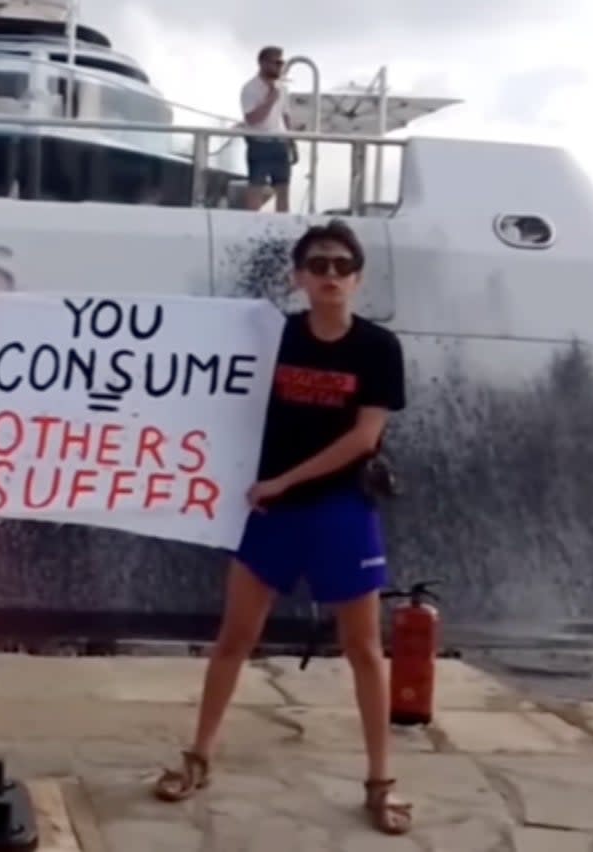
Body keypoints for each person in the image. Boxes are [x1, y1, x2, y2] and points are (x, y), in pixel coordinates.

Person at [151, 220, 412, 836]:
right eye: (317, 264)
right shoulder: (271, 338)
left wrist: (284, 481)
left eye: (341, 265)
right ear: (298, 277)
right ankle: (199, 757)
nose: (329, 275)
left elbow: (364, 437)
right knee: (235, 638)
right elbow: (183, 359)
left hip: (338, 509)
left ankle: (380, 782)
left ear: (358, 277)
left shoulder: (378, 348)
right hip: (270, 512)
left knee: (364, 651)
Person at [240, 45, 296, 213]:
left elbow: (286, 116)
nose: (280, 67)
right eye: (276, 63)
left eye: (281, 63)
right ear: (263, 63)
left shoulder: (282, 88)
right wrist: (270, 100)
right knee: (256, 188)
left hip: (279, 143)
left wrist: (292, 143)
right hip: (259, 143)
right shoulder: (250, 88)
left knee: (283, 189)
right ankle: (251, 226)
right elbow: (252, 119)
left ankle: (283, 226)